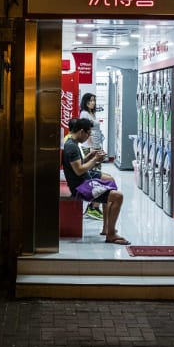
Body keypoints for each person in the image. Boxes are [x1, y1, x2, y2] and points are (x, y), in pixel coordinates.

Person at [62, 117, 129, 245]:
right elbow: (79, 171)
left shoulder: (72, 143)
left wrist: (90, 156)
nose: (88, 137)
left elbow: (78, 165)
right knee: (118, 197)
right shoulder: (71, 147)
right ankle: (111, 234)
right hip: (80, 187)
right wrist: (95, 160)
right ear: (82, 132)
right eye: (88, 134)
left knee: (110, 184)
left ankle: (108, 229)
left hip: (83, 181)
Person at [79, 93, 108, 220]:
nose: (93, 103)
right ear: (85, 102)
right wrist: (93, 149)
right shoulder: (84, 114)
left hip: (95, 147)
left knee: (97, 176)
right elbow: (87, 132)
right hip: (90, 149)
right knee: (95, 177)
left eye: (94, 100)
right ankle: (93, 207)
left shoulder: (91, 114)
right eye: (90, 101)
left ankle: (94, 206)